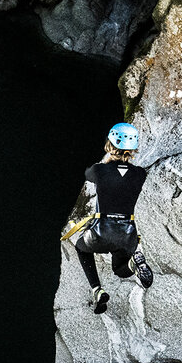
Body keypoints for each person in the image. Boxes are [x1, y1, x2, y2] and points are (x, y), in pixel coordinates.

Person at [69, 122, 153, 314]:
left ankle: (97, 290)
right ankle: (133, 263)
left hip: (101, 232)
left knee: (81, 248)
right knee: (120, 269)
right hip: (127, 235)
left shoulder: (99, 170)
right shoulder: (140, 174)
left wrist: (108, 161)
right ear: (134, 148)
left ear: (110, 145)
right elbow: (123, 176)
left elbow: (87, 174)